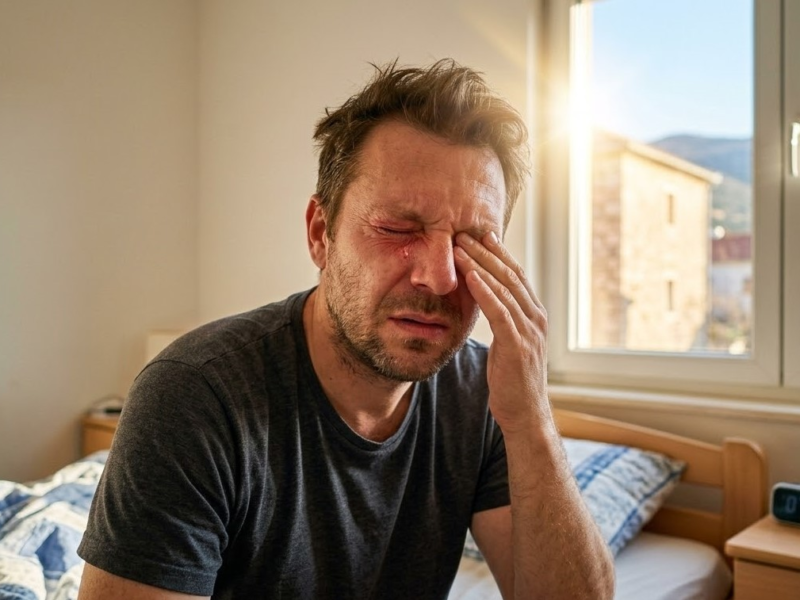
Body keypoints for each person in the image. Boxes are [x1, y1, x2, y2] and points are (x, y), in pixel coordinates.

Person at [77, 59, 614, 599]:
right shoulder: (196, 396)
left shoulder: (487, 397)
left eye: (471, 242)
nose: (438, 276)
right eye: (397, 229)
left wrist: (532, 420)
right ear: (320, 234)